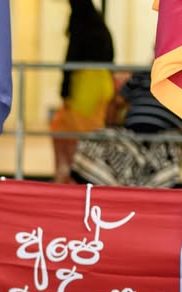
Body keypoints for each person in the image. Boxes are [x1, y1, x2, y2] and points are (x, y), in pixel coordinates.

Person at [71, 69, 182, 187]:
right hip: (130, 135)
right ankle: (118, 193)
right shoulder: (142, 74)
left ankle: (141, 195)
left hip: (164, 136)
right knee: (93, 140)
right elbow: (116, 103)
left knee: (168, 150)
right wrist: (111, 128)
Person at [50, 0, 115, 183]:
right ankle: (89, 175)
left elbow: (71, 58)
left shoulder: (80, 24)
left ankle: (72, 176)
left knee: (72, 132)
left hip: (86, 84)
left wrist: (64, 90)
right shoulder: (99, 23)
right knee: (90, 132)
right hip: (103, 83)